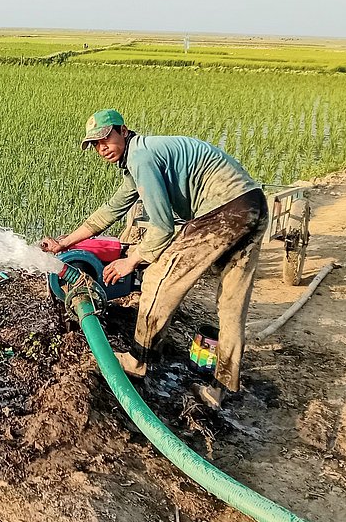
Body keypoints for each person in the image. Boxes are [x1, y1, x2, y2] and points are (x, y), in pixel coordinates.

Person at [40, 109, 268, 408]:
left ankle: (138, 359)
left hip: (223, 212)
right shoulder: (140, 158)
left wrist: (132, 260)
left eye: (106, 138)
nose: (102, 148)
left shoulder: (141, 157)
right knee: (231, 304)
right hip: (252, 204)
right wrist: (64, 242)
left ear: (123, 130)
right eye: (95, 144)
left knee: (156, 280)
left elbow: (161, 228)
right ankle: (222, 386)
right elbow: (111, 210)